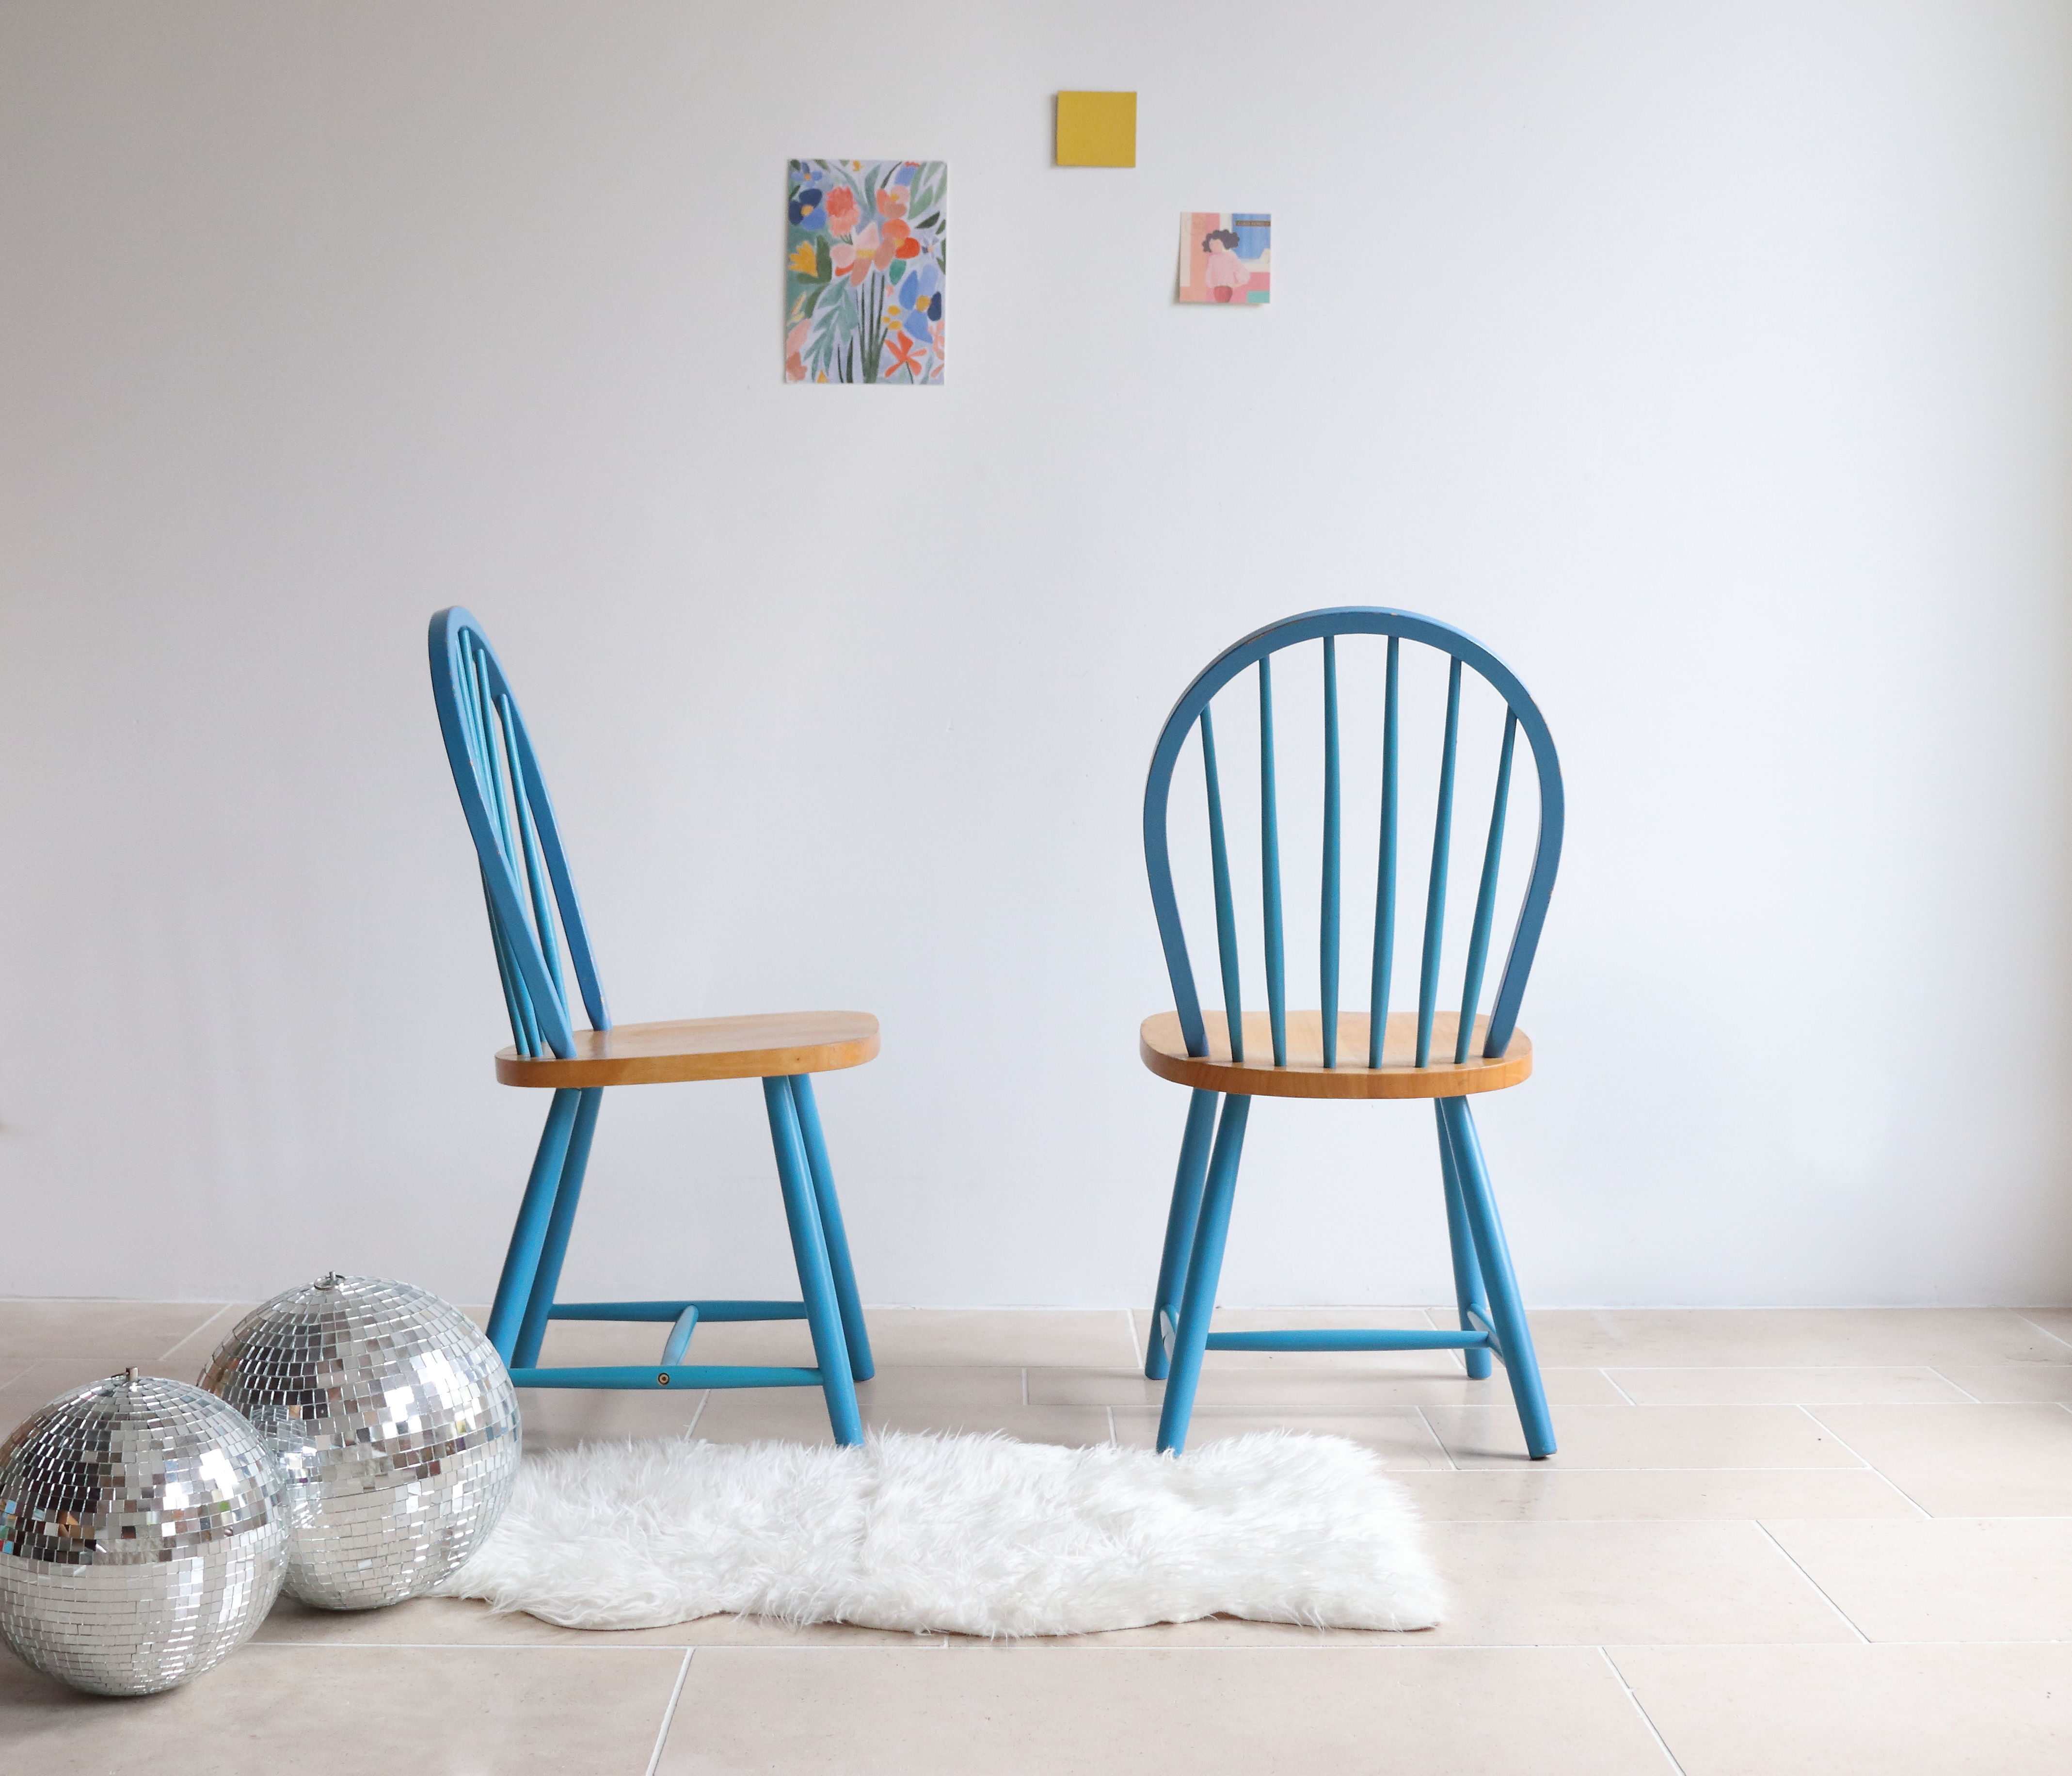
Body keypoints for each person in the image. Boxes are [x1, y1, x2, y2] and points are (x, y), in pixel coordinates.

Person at [1200, 227, 1250, 303]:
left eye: (1217, 243)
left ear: (1223, 243)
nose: (1214, 246)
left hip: (1227, 288)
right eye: (1211, 244)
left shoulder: (1230, 256)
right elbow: (1209, 273)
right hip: (1216, 288)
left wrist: (1240, 282)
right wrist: (1210, 283)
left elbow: (1239, 269)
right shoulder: (1212, 259)